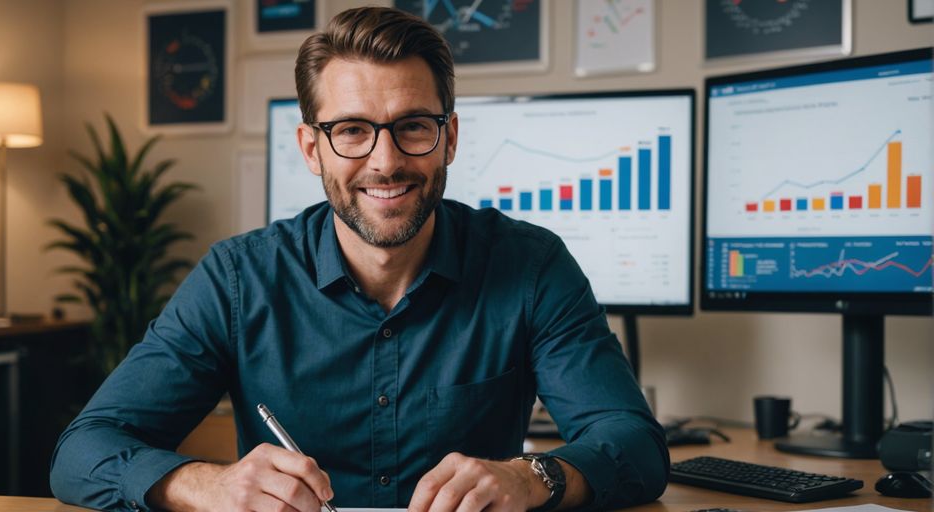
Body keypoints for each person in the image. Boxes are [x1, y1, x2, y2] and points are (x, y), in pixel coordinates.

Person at [50, 7, 667, 512]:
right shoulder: (238, 279)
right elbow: (83, 451)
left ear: (449, 137)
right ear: (311, 148)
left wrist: (533, 476)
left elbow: (635, 446)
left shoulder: (532, 267)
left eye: (413, 127)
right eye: (351, 130)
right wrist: (206, 484)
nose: (385, 161)